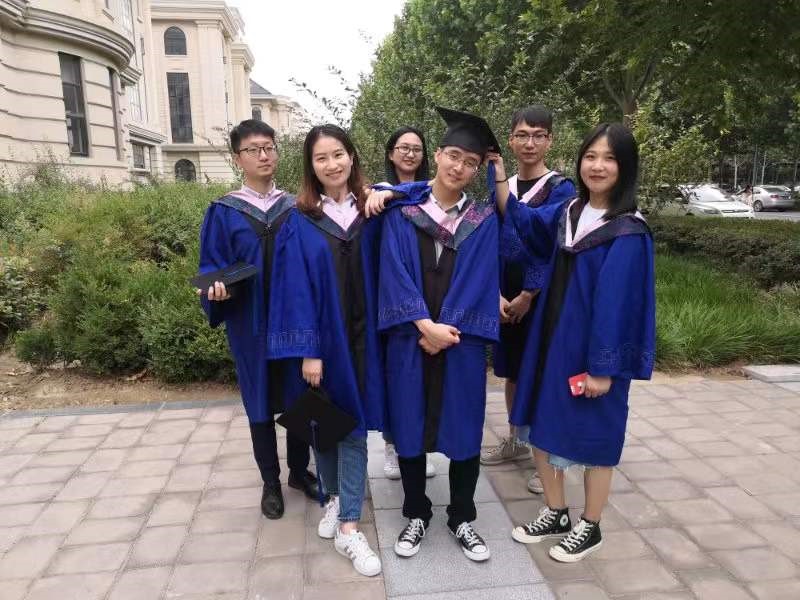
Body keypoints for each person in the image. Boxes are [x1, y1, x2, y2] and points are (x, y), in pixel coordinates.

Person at [492, 123, 655, 562]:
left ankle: (591, 524)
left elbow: (619, 305)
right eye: (591, 156)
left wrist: (603, 367)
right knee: (540, 425)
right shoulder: (569, 212)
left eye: (610, 158)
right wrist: (500, 175)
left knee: (596, 435)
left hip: (592, 353)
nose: (597, 166)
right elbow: (526, 224)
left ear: (625, 167)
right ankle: (556, 512)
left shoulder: (628, 230)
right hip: (550, 341)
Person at [371, 107, 500, 562]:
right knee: (409, 424)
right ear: (439, 155)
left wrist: (445, 330)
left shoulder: (483, 220)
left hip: (461, 342)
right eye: (453, 156)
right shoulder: (402, 212)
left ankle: (462, 516)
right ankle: (416, 513)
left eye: (470, 162)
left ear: (477, 170)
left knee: (464, 426)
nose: (459, 167)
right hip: (410, 338)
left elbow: (481, 278)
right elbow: (393, 271)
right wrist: (423, 325)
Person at [266, 124, 383, 577]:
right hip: (325, 342)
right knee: (325, 424)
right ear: (310, 167)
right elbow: (294, 290)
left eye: (338, 154)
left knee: (352, 428)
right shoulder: (300, 221)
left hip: (367, 339)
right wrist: (309, 350)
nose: (332, 164)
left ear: (352, 156)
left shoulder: (373, 210)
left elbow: (423, 193)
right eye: (321, 158)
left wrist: (388, 191)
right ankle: (335, 500)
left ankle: (348, 523)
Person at [197, 119, 318, 520]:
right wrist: (215, 290)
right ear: (238, 159)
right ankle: (271, 482)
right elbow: (211, 267)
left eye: (269, 147)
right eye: (253, 150)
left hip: (294, 319)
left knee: (301, 397)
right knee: (260, 401)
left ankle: (299, 471)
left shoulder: (298, 207)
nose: (264, 155)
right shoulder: (223, 211)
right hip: (249, 323)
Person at [481, 106, 576, 499]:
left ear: (550, 140)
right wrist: (495, 292)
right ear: (511, 140)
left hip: (542, 296)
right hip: (504, 294)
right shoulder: (501, 183)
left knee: (542, 372)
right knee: (513, 372)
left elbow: (555, 246)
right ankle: (517, 439)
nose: (530, 143)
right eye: (522, 134)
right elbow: (488, 236)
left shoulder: (562, 189)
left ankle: (547, 457)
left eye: (538, 135)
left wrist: (528, 294)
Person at [380, 126, 436, 480]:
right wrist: (386, 194)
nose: (410, 153)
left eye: (417, 148)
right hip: (389, 292)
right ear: (391, 153)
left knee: (423, 378)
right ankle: (392, 445)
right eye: (403, 147)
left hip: (429, 291)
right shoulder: (378, 194)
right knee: (395, 377)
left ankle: (420, 446)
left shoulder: (433, 196)